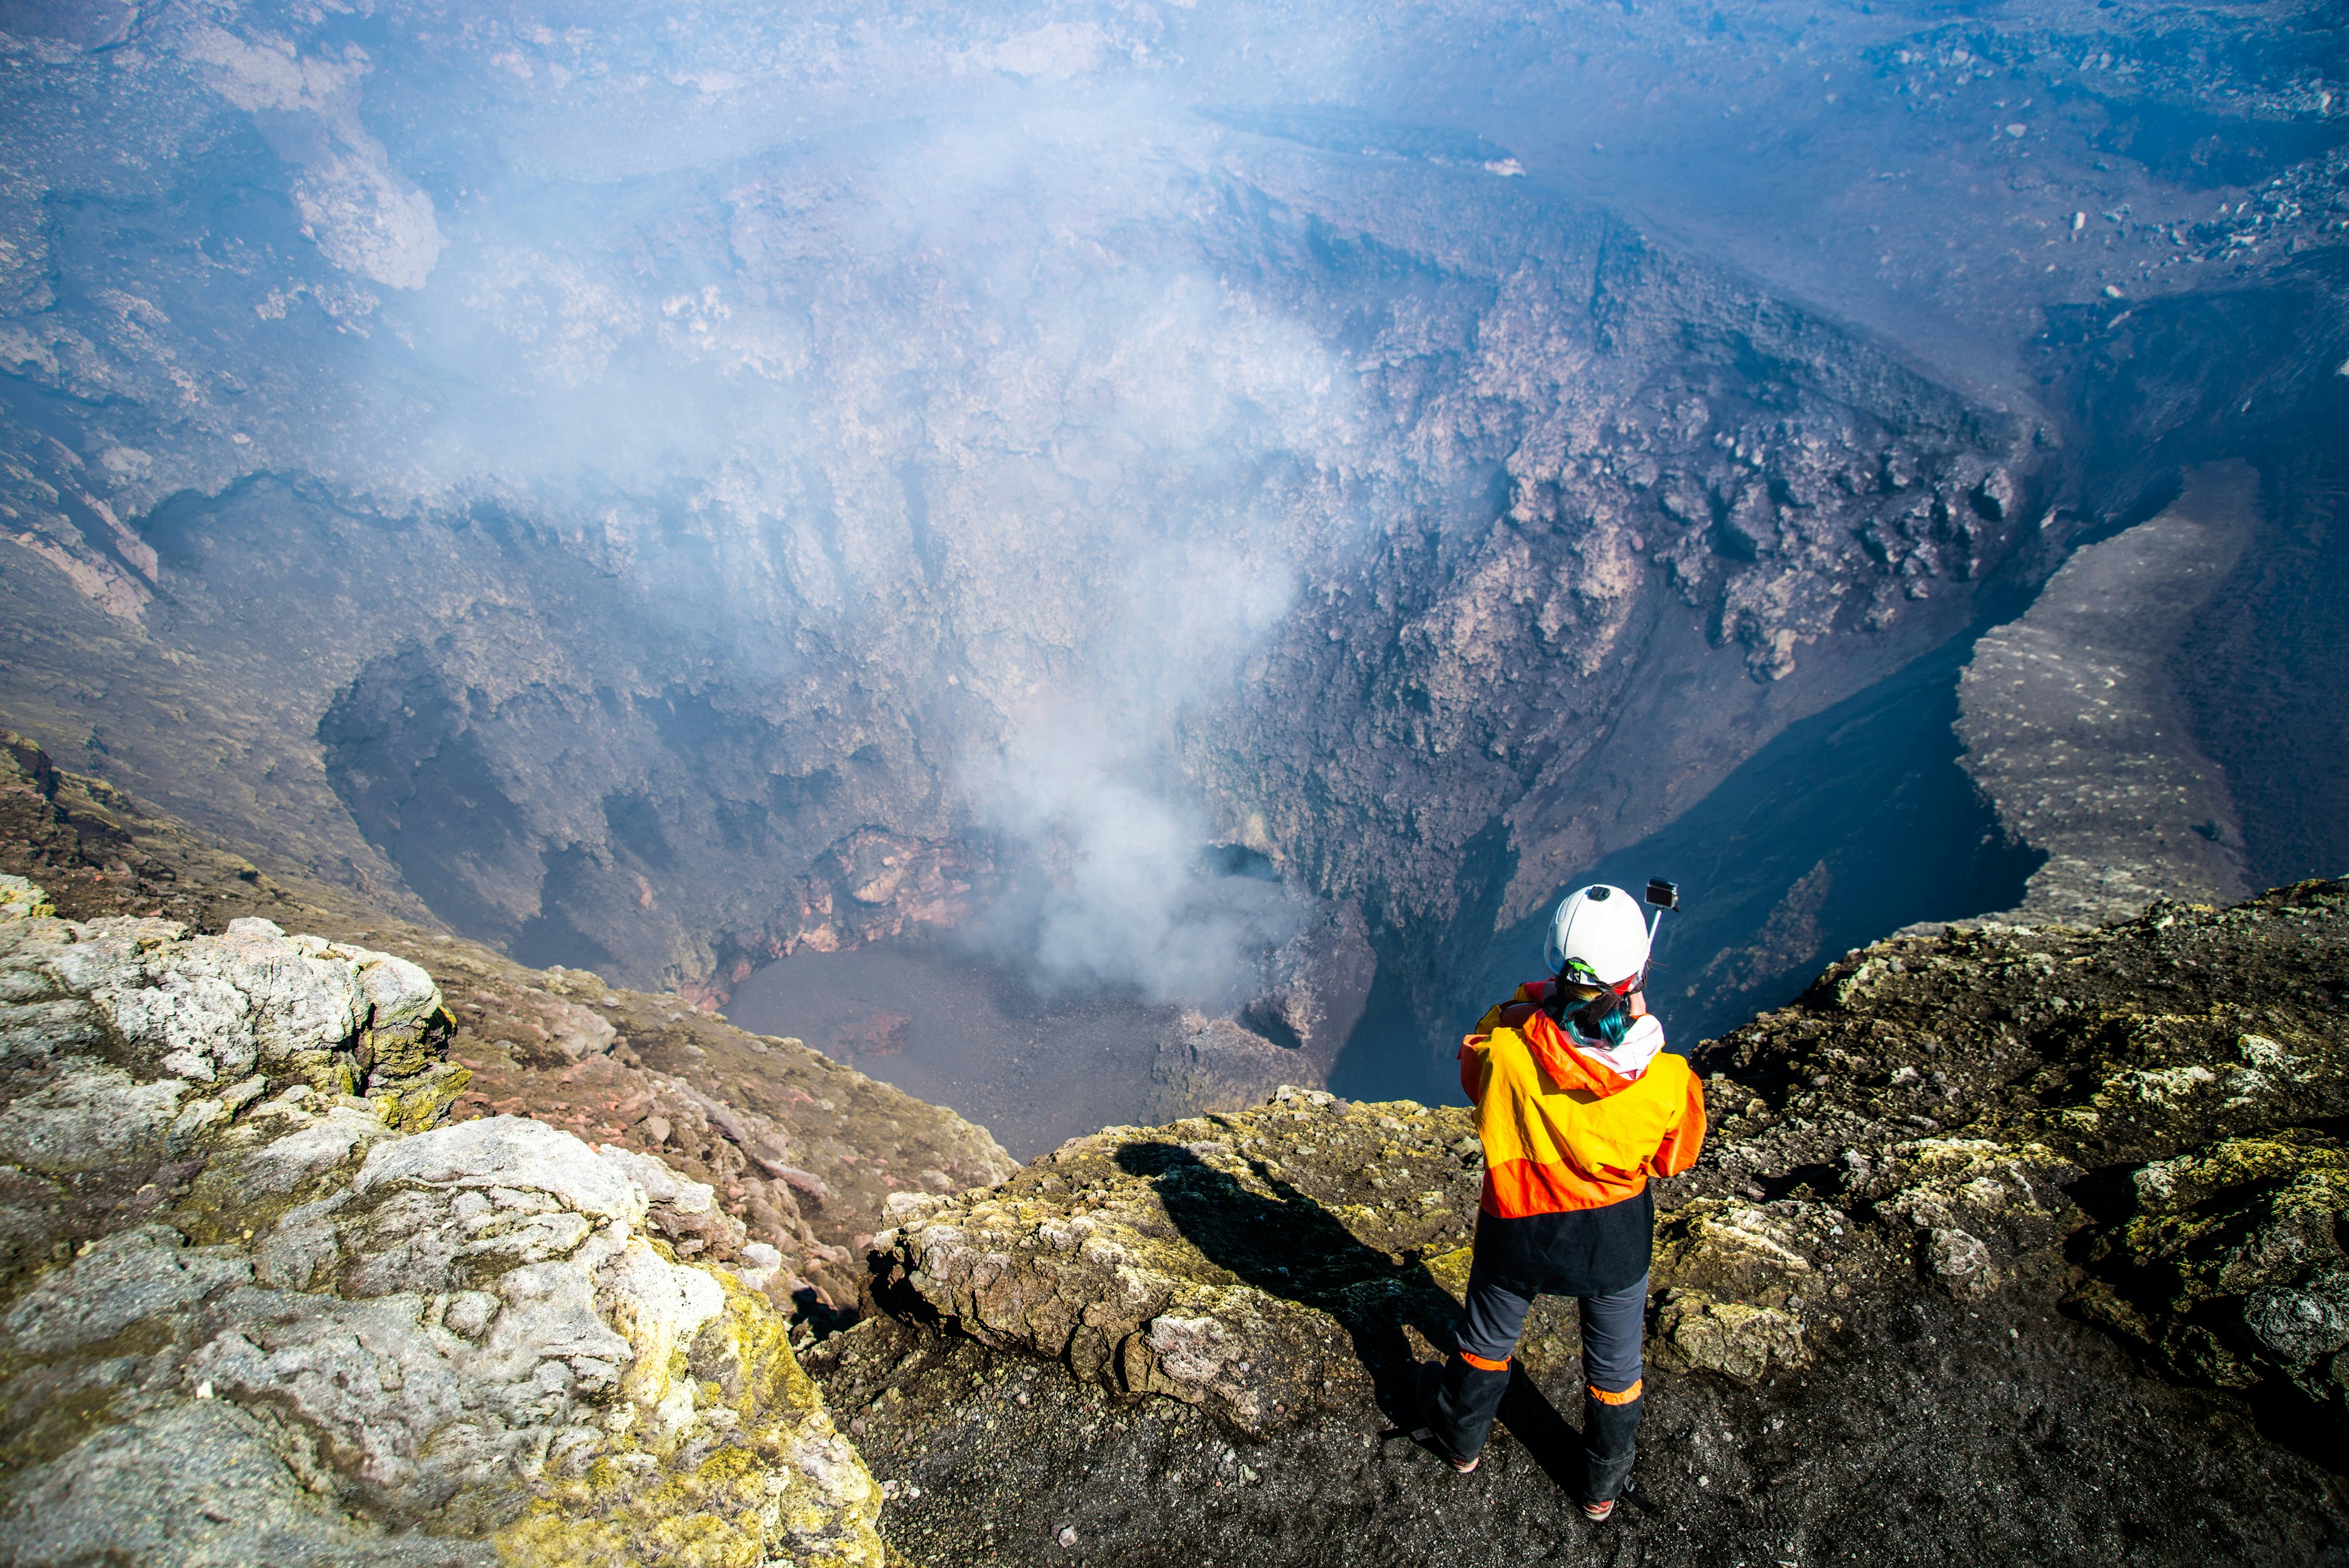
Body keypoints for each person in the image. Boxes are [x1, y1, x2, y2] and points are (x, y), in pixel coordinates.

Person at [1420, 883, 1707, 1520]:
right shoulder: (1668, 1078)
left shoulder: (1508, 1049)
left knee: (1485, 1338)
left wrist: (1534, 1003)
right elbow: (1672, 1158)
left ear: (1556, 968)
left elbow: (1475, 1069)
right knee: (1613, 1367)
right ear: (1634, 970)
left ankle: (1459, 1443)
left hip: (1518, 1224)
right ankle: (1600, 1493)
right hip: (1613, 1241)